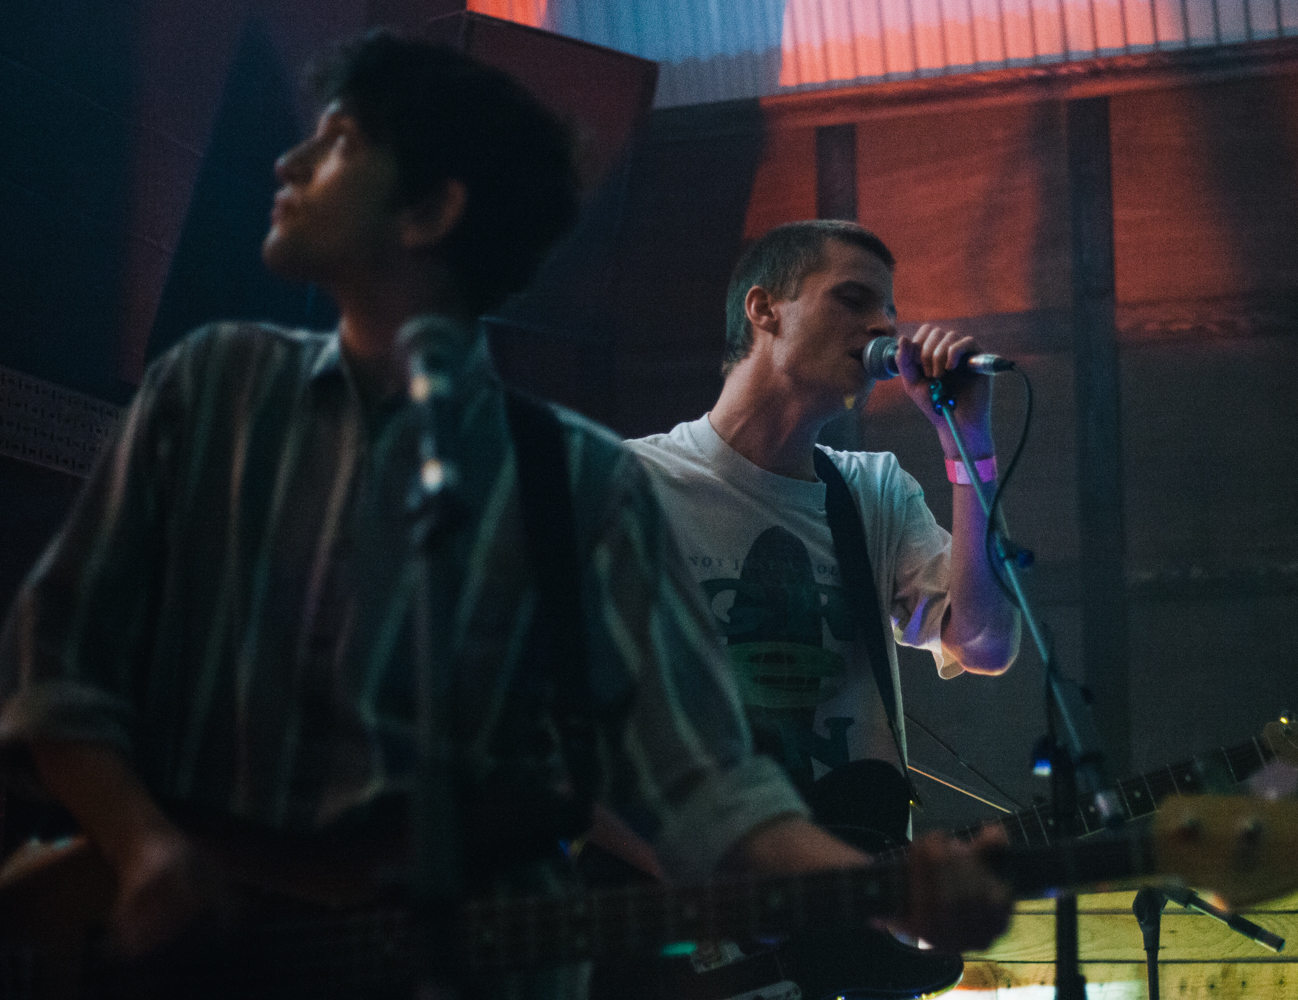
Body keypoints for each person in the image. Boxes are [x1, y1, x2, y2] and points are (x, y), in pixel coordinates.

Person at [0, 33, 1008, 999]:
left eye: (338, 142)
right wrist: (144, 845)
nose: (291, 161)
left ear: (430, 210)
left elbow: (697, 784)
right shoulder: (216, 387)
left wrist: (876, 888)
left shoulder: (572, 475)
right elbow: (57, 661)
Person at [625, 220, 1022, 840]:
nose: (884, 327)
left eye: (890, 312)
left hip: (855, 881)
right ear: (765, 309)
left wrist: (969, 445)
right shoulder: (634, 483)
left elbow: (987, 645)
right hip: (693, 877)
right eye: (853, 299)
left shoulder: (873, 490)